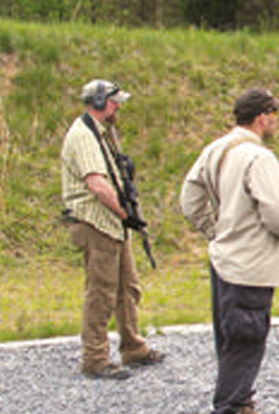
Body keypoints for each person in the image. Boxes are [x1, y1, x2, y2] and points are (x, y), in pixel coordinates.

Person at [180, 87, 279, 414]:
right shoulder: (259, 158)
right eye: (274, 114)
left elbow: (190, 197)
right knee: (246, 337)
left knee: (231, 335)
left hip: (224, 258)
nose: (276, 120)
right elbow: (276, 211)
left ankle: (243, 404)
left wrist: (214, 230)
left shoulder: (216, 149)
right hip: (252, 262)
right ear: (262, 117)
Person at [61, 79, 165, 380]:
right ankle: (95, 357)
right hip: (98, 222)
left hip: (111, 223)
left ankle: (132, 346)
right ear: (98, 102)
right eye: (114, 102)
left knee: (127, 287)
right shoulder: (83, 136)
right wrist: (125, 214)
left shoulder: (101, 134)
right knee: (102, 292)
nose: (118, 107)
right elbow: (96, 184)